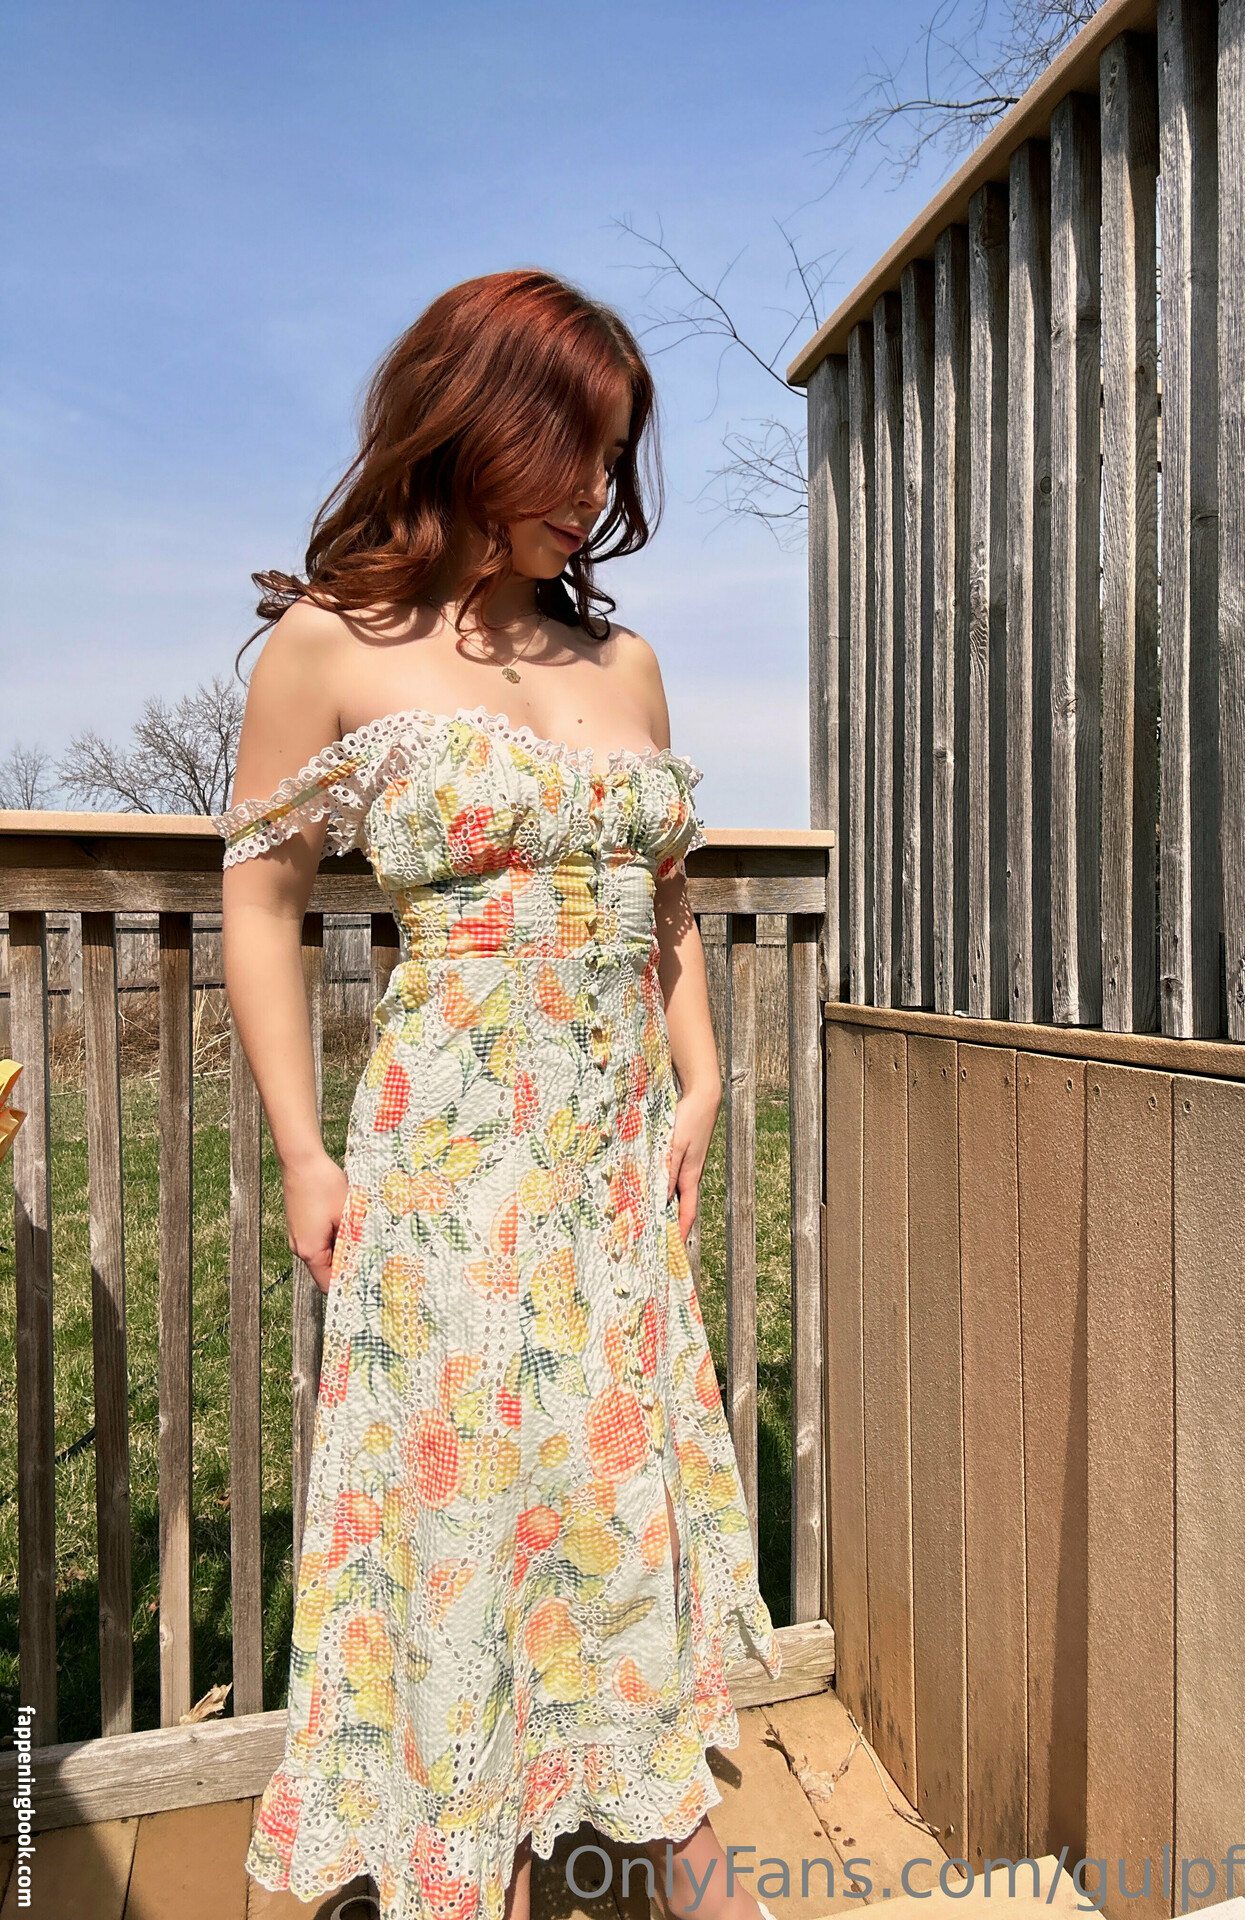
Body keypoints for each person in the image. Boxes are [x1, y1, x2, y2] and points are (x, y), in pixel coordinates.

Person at [217, 268, 782, 1920]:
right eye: (575, 448)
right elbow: (258, 896)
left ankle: (662, 1841)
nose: (598, 489)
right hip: (448, 1174)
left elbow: (666, 900)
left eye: (614, 456)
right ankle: (474, 1860)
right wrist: (304, 1151)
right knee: (467, 1519)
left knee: (613, 1510)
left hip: (610, 1173)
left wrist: (701, 1078)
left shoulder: (628, 661)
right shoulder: (329, 647)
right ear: (477, 426)